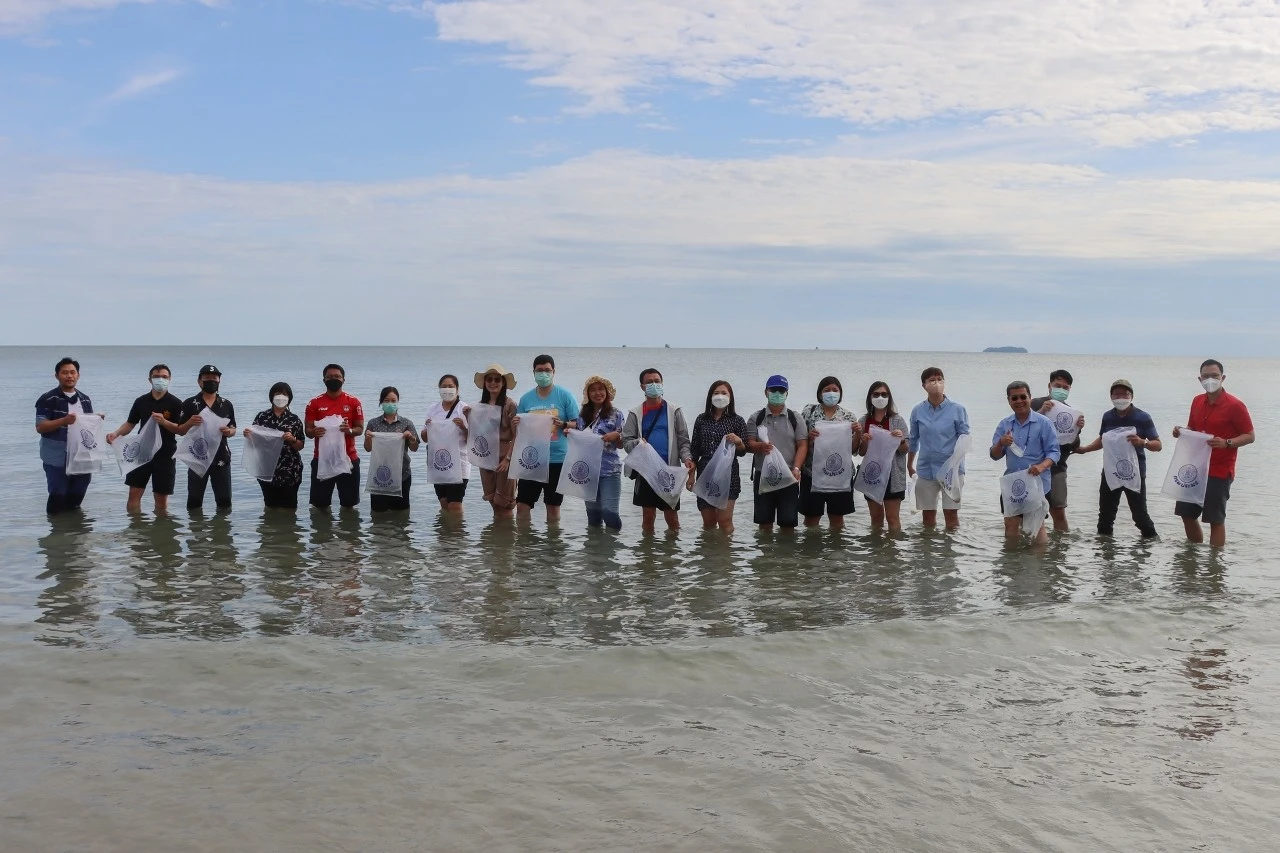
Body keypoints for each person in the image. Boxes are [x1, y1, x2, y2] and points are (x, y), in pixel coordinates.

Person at [1171, 359, 1255, 547]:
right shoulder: (1197, 401)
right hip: (1194, 468)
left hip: (1219, 470)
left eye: (1214, 376)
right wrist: (1181, 431)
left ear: (1222, 378)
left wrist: (1227, 443)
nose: (1210, 379)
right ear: (1199, 379)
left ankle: (1214, 565)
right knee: (1186, 514)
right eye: (1206, 376)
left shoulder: (1235, 405)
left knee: (1215, 520)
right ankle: (1193, 555)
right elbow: (1193, 428)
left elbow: (1250, 436)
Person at [1074, 379, 1159, 538]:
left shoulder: (1143, 417)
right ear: (1111, 397)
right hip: (1110, 471)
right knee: (1105, 516)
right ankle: (1105, 556)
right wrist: (1084, 449)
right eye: (1116, 394)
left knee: (1139, 515)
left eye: (1125, 394)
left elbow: (1158, 445)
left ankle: (1151, 547)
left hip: (1135, 472)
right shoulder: (1108, 417)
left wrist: (1143, 442)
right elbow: (1102, 440)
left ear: (1131, 396)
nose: (1121, 397)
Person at [621, 368, 694, 532]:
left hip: (669, 472)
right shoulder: (635, 413)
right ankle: (647, 555)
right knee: (648, 517)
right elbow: (626, 442)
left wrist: (687, 459)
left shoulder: (674, 410)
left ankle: (672, 555)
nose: (654, 384)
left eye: (657, 381)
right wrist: (638, 443)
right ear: (642, 387)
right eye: (649, 382)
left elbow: (683, 440)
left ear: (662, 383)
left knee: (672, 518)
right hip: (645, 471)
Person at [106, 364, 184, 514]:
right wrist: (116, 434)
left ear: (170, 379)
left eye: (164, 377)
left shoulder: (176, 403)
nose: (160, 379)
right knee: (134, 494)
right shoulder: (141, 401)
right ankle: (135, 530)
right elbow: (130, 424)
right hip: (141, 452)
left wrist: (164, 422)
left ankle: (160, 533)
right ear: (150, 379)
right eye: (156, 376)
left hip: (165, 454)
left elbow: (180, 430)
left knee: (161, 499)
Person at [990, 380, 1060, 543]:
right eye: (1014, 398)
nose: (1019, 401)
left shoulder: (1044, 423)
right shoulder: (1004, 424)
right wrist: (1001, 443)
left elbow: (1054, 452)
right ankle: (1012, 565)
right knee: (1010, 524)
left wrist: (1041, 466)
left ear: (1030, 397)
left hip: (1037, 483)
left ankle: (1039, 565)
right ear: (1008, 400)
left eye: (1023, 397)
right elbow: (994, 455)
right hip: (1012, 483)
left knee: (1037, 527)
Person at [514, 354, 580, 522]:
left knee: (553, 508)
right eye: (540, 370)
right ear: (534, 372)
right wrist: (516, 423)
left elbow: (579, 424)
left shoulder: (565, 395)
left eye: (547, 370)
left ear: (553, 372)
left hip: (557, 459)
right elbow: (520, 429)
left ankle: (553, 547)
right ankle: (524, 545)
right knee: (522, 506)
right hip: (532, 459)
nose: (543, 374)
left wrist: (564, 424)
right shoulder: (526, 399)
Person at [907, 367, 970, 530]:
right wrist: (909, 464)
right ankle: (928, 552)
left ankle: (950, 552)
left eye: (939, 379)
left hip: (951, 470)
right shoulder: (917, 411)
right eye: (931, 380)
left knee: (951, 514)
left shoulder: (957, 409)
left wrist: (957, 463)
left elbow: (965, 438)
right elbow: (913, 439)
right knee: (927, 516)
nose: (936, 383)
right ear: (924, 385)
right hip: (926, 468)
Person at [744, 374, 807, 532]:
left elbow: (803, 445)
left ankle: (785, 557)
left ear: (787, 393)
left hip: (789, 476)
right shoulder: (756, 418)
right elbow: (748, 444)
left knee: (788, 524)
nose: (777, 394)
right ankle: (766, 557)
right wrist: (760, 447)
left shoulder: (795, 418)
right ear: (766, 392)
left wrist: (797, 468)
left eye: (781, 390)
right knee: (764, 524)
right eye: (774, 390)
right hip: (763, 476)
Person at [35, 357, 97, 515]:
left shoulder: (85, 399)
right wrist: (64, 420)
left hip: (81, 454)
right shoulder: (48, 399)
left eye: (72, 372)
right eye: (65, 373)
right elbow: (40, 427)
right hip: (56, 455)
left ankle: (73, 529)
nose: (69, 376)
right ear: (57, 376)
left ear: (78, 375)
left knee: (78, 494)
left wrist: (96, 421)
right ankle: (55, 533)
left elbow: (87, 428)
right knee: (57, 494)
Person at [798, 376, 861, 529]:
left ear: (840, 393)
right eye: (827, 390)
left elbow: (852, 451)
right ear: (820, 393)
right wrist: (811, 438)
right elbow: (800, 442)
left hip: (839, 475)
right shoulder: (808, 412)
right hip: (811, 474)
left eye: (835, 390)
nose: (831, 393)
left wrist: (858, 433)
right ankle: (811, 551)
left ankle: (837, 551)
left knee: (837, 521)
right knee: (811, 521)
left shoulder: (849, 417)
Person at [1029, 369, 1087, 533]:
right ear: (1049, 386)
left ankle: (1060, 552)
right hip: (1033, 467)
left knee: (1058, 511)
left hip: (1057, 468)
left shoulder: (1071, 413)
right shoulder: (1034, 404)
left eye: (1065, 387)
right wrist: (1040, 412)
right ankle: (1025, 551)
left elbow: (1073, 446)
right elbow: (1022, 428)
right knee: (1028, 512)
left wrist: (1077, 429)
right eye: (1057, 385)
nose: (1061, 390)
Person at [176, 365, 238, 511]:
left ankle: (222, 532)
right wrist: (190, 422)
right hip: (197, 458)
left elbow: (234, 428)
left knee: (224, 501)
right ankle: (197, 532)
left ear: (219, 381)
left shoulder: (226, 404)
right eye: (207, 379)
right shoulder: (190, 403)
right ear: (199, 381)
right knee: (194, 501)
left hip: (221, 457)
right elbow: (180, 431)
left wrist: (229, 431)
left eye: (214, 379)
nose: (211, 381)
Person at [689, 380, 748, 533]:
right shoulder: (701, 419)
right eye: (716, 393)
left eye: (724, 393)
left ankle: (726, 555)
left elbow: (743, 451)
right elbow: (694, 450)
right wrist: (690, 476)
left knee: (724, 520)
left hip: (728, 472)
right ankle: (709, 554)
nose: (720, 396)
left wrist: (739, 441)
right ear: (710, 396)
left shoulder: (737, 420)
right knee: (708, 522)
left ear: (730, 397)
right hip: (705, 471)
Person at [304, 363, 364, 510]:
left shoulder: (353, 402)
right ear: (324, 380)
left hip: (349, 458)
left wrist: (349, 430)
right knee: (320, 506)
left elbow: (360, 429)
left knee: (349, 506)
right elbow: (308, 431)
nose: (333, 379)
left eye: (337, 376)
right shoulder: (314, 403)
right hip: (322, 460)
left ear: (344, 380)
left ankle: (347, 532)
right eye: (330, 377)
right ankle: (323, 532)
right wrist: (314, 432)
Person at [571, 375, 626, 530]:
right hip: (588, 472)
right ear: (587, 394)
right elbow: (580, 441)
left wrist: (617, 436)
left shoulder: (616, 414)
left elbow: (622, 444)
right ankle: (594, 551)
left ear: (607, 392)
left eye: (601, 389)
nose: (597, 393)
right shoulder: (583, 416)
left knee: (610, 513)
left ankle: (612, 548)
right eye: (593, 390)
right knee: (593, 516)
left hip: (610, 470)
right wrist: (571, 434)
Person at [244, 382, 306, 509]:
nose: (281, 397)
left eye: (284, 394)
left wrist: (292, 439)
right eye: (278, 393)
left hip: (290, 469)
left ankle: (289, 529)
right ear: (271, 396)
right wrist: (249, 435)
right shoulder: (262, 417)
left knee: (290, 507)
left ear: (289, 398)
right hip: (266, 469)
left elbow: (300, 445)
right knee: (270, 506)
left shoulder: (294, 420)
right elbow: (253, 443)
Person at [858, 380, 909, 531]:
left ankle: (892, 553)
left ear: (889, 397)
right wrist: (865, 441)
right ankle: (876, 551)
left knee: (893, 518)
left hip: (893, 477)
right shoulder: (863, 421)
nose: (880, 397)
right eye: (876, 394)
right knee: (876, 518)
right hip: (872, 475)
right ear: (870, 397)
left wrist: (900, 440)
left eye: (884, 394)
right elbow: (861, 452)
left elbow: (905, 450)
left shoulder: (897, 420)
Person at [473, 364, 518, 519]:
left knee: (505, 504)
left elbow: (517, 435)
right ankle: (497, 539)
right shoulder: (480, 406)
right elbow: (476, 435)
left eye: (497, 379)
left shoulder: (510, 405)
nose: (493, 383)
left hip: (504, 458)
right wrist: (466, 419)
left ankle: (507, 539)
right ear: (485, 383)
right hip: (486, 458)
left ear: (503, 382)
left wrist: (508, 459)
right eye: (489, 379)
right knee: (493, 501)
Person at [421, 375, 470, 514]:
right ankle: (445, 534)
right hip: (439, 463)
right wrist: (429, 427)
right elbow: (424, 438)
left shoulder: (464, 409)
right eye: (444, 386)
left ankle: (457, 534)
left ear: (457, 389)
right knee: (444, 503)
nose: (447, 389)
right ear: (439, 389)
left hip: (459, 464)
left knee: (455, 504)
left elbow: (472, 438)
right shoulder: (433, 409)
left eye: (450, 386)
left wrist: (463, 427)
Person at [367, 386, 419, 513]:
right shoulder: (373, 423)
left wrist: (411, 438)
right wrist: (368, 437)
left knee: (401, 514)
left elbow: (414, 448)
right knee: (378, 513)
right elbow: (368, 449)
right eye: (386, 400)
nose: (390, 403)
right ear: (381, 402)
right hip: (379, 475)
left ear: (398, 402)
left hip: (402, 474)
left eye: (393, 400)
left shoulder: (406, 423)